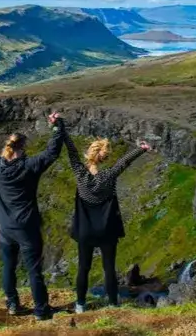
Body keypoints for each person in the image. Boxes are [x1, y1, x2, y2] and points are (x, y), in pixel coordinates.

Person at [0, 107, 64, 320]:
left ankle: (12, 304)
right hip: (26, 227)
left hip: (4, 227)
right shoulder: (29, 166)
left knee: (8, 266)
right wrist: (57, 128)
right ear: (23, 147)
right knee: (34, 270)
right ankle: (41, 310)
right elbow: (52, 153)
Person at [57, 117, 150, 313]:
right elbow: (124, 163)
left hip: (85, 231)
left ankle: (80, 304)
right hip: (107, 230)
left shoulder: (80, 174)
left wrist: (60, 127)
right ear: (104, 157)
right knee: (109, 268)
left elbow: (71, 150)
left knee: (84, 268)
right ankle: (113, 304)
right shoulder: (109, 176)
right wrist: (141, 149)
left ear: (89, 155)